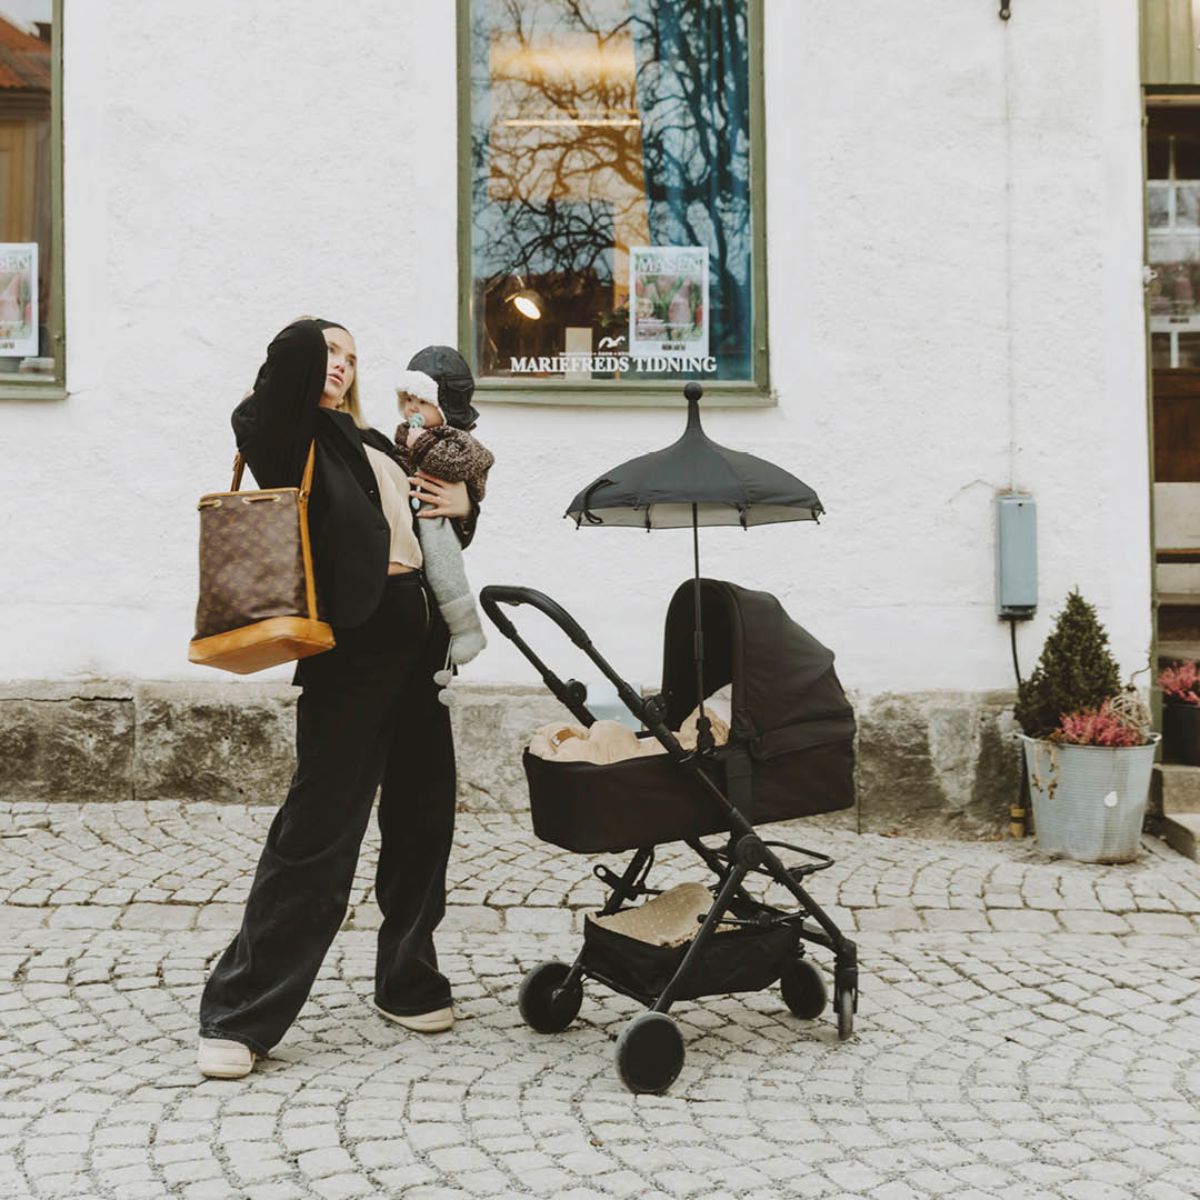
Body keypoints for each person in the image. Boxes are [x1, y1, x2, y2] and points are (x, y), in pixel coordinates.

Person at [197, 318, 478, 1079]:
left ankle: (406, 981)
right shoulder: (291, 437)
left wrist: (460, 505)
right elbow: (257, 407)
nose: (341, 365)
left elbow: (435, 529)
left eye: (351, 357)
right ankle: (241, 1013)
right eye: (329, 353)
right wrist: (308, 342)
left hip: (422, 646)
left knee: (423, 820)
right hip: (351, 653)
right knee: (319, 829)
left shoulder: (381, 445)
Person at [392, 368, 494, 669]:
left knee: (444, 570)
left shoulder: (459, 439)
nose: (412, 408)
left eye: (422, 402)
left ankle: (467, 628)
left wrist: (420, 445)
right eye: (408, 399)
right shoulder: (404, 436)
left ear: (443, 406)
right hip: (414, 521)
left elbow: (460, 465)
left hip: (437, 523)